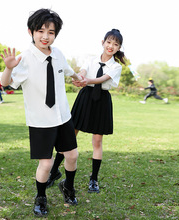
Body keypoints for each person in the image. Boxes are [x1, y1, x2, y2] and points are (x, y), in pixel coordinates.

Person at [0, 9, 82, 217]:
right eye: (41, 31)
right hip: (40, 120)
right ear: (31, 32)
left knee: (72, 154)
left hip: (62, 116)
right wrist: (8, 68)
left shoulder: (58, 54)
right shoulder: (23, 59)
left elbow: (71, 72)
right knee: (45, 164)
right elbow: (5, 83)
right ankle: (41, 197)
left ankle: (68, 187)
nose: (46, 36)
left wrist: (78, 77)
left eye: (51, 32)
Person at [47, 29, 126, 194]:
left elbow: (102, 79)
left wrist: (87, 80)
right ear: (103, 42)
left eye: (115, 44)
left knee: (97, 142)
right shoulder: (90, 60)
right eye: (109, 42)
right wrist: (79, 77)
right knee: (69, 137)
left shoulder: (115, 67)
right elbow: (82, 72)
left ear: (119, 48)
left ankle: (94, 179)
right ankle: (53, 172)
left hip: (101, 101)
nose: (111, 46)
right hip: (85, 98)